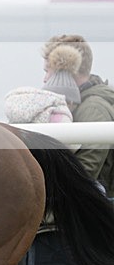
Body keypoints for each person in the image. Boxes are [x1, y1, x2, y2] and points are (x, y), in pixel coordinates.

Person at [6, 42, 91, 265]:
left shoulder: (40, 124)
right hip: (49, 232)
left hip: (52, 232)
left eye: (45, 71)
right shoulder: (65, 121)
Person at [42, 34, 114, 195]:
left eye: (48, 71)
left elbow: (86, 170)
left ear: (65, 68)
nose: (45, 79)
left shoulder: (94, 110)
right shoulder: (83, 104)